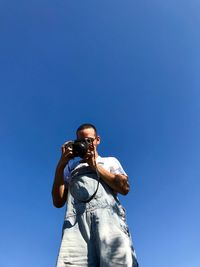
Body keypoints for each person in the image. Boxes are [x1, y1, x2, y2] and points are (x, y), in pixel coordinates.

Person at [52, 123, 139, 267]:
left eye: (89, 140)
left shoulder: (109, 161)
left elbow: (124, 188)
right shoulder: (71, 167)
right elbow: (58, 201)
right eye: (81, 141)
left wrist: (95, 166)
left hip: (109, 220)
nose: (85, 144)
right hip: (76, 225)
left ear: (97, 140)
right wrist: (61, 165)